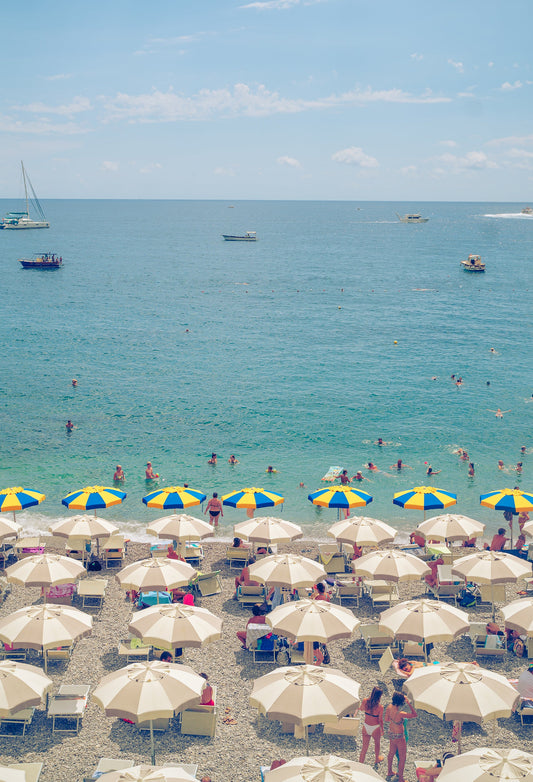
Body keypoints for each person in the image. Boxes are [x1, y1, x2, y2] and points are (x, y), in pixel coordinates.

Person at [385, 692, 417, 782]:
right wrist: (409, 704)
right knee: (402, 757)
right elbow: (415, 715)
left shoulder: (389, 707)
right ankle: (401, 779)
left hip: (391, 734)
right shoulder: (400, 713)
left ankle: (389, 771)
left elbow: (386, 719)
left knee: (391, 753)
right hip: (399, 736)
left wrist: (394, 721)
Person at [358, 686, 384, 767]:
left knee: (364, 748)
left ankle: (360, 764)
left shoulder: (365, 701)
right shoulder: (380, 707)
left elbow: (361, 709)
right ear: (380, 696)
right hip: (375, 727)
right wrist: (382, 729)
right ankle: (377, 759)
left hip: (366, 726)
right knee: (377, 744)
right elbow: (380, 720)